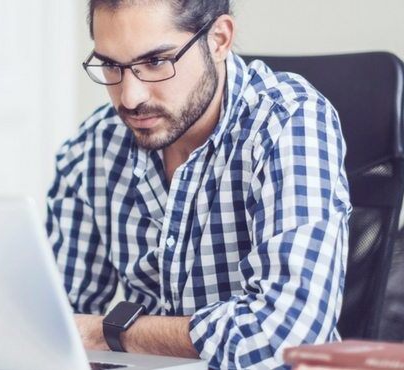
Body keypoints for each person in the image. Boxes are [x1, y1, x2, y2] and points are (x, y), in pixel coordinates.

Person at [45, 0, 351, 368]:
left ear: (219, 40)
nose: (130, 97)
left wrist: (110, 333)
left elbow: (288, 336)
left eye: (156, 62)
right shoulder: (96, 145)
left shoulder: (288, 121)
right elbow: (51, 319)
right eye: (112, 65)